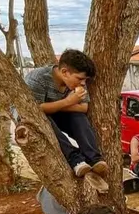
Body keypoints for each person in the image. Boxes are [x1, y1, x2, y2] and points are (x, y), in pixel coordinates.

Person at [23, 48, 109, 192]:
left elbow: (83, 108)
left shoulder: (77, 83)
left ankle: (94, 158)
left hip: (58, 112)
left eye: (85, 80)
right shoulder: (37, 78)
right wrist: (69, 101)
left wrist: (55, 106)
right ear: (64, 72)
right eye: (80, 79)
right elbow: (34, 110)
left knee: (78, 117)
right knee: (46, 120)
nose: (82, 83)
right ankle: (75, 160)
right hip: (35, 117)